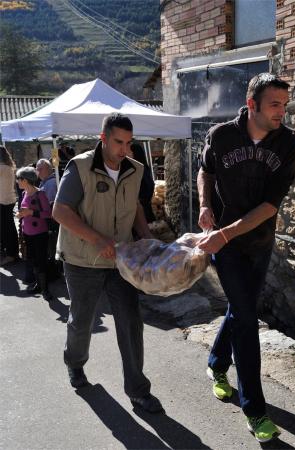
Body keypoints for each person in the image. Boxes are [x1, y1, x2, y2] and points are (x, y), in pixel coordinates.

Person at [196, 73, 295, 443]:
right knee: (246, 318)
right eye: (275, 105)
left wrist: (223, 233)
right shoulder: (222, 136)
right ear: (252, 103)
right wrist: (206, 205)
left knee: (242, 309)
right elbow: (205, 171)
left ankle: (215, 364)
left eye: (284, 106)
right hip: (225, 246)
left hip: (258, 242)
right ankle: (255, 409)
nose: (281, 113)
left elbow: (270, 205)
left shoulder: (288, 142)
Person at [52, 113, 163, 413]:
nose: (124, 149)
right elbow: (60, 211)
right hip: (82, 260)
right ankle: (75, 363)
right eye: (118, 142)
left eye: (129, 143)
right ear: (103, 138)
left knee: (131, 323)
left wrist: (147, 237)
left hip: (121, 261)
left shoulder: (135, 168)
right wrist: (98, 240)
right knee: (81, 321)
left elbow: (136, 206)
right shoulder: (79, 167)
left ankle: (138, 390)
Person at [16, 167, 53, 301]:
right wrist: (21, 215)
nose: (17, 182)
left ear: (25, 180)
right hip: (28, 233)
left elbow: (48, 214)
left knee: (41, 260)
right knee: (32, 259)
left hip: (39, 234)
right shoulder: (25, 193)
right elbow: (25, 211)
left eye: (18, 179)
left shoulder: (40, 194)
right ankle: (39, 285)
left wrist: (31, 213)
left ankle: (45, 289)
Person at [0, 146, 19, 266]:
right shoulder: (9, 167)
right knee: (9, 227)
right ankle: (11, 253)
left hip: (3, 201)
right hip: (9, 200)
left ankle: (11, 254)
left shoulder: (1, 167)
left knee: (7, 228)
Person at [128, 142, 156, 224]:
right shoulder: (144, 168)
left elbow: (143, 193)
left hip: (141, 214)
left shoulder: (138, 171)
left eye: (129, 152)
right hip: (146, 212)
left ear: (134, 154)